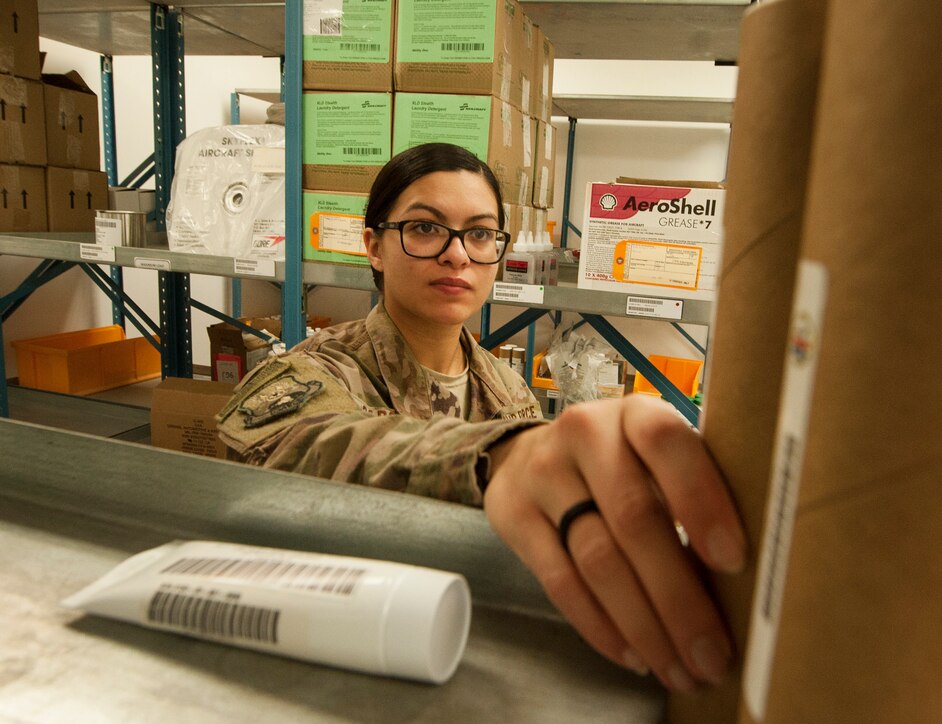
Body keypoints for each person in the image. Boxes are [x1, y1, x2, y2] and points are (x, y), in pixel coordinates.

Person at [217, 142, 746, 693]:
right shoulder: (315, 370)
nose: (457, 255)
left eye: (479, 233)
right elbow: (299, 445)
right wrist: (501, 457)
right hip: (338, 656)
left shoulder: (509, 387)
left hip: (477, 650)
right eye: (425, 228)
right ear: (374, 246)